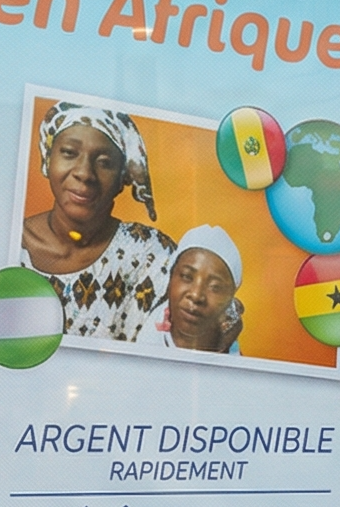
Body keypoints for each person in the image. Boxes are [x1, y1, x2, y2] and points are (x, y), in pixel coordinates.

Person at [20, 101, 173, 343]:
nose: (84, 173)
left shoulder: (150, 254)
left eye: (104, 162)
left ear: (123, 177)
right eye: (69, 153)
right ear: (48, 158)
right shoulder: (13, 243)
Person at [153, 226, 245, 355]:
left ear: (229, 300)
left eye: (215, 287)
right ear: (171, 276)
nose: (196, 295)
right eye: (186, 276)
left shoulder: (233, 363)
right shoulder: (142, 327)